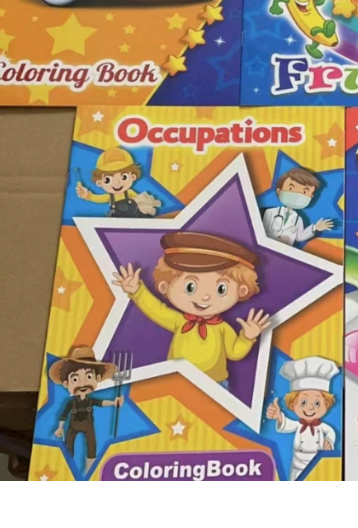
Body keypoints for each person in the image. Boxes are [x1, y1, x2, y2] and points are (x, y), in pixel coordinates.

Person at [112, 232, 271, 388]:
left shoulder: (222, 328)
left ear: (242, 290)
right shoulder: (179, 321)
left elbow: (234, 353)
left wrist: (247, 337)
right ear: (165, 286)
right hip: (176, 381)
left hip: (214, 385)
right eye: (191, 287)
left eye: (221, 289)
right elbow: (156, 309)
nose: (205, 297)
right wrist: (137, 291)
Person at [51, 347, 123, 475]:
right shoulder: (71, 403)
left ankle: (90, 471)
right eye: (75, 379)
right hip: (72, 427)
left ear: (97, 378)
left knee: (92, 446)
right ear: (66, 383)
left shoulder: (91, 400)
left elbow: (101, 403)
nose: (83, 383)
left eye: (89, 376)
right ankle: (66, 470)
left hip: (88, 426)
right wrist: (60, 428)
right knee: (68, 446)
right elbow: (64, 415)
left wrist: (114, 402)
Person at [267, 357, 339, 481]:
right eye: (304, 402)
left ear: (327, 404)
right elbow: (287, 425)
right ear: (292, 404)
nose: (310, 407)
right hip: (298, 465)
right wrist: (279, 416)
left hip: (317, 462)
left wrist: (329, 441)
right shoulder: (298, 425)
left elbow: (330, 432)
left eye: (317, 403)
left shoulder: (322, 427)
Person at [76, 148, 159, 218]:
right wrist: (87, 195)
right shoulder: (109, 197)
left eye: (124, 177)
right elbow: (97, 198)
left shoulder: (130, 193)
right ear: (99, 183)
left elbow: (141, 201)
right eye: (108, 179)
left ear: (133, 177)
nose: (117, 183)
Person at [263, 168, 335, 247]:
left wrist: (315, 228)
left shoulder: (298, 219)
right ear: (279, 191)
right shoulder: (270, 212)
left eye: (304, 192)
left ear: (311, 197)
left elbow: (300, 237)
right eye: (291, 188)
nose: (297, 195)